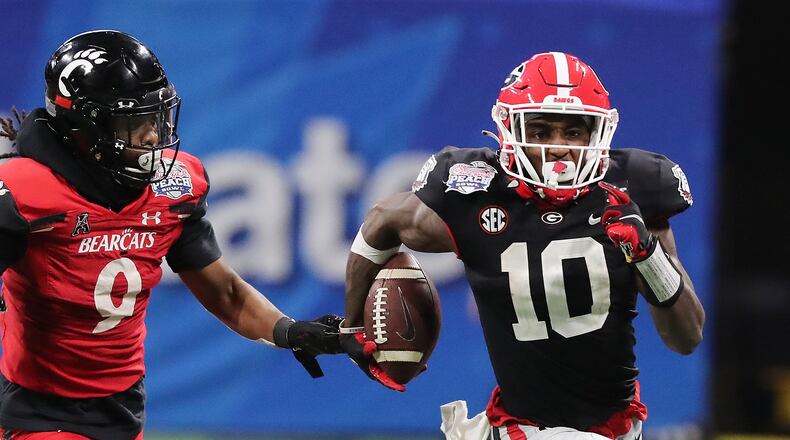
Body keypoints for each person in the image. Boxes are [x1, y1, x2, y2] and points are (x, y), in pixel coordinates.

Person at [340, 52, 705, 439]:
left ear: (598, 134)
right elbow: (384, 218)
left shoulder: (636, 191)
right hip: (513, 426)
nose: (558, 147)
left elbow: (687, 337)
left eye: (574, 132)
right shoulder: (475, 190)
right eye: (541, 132)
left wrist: (647, 255)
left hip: (608, 430)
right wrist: (352, 324)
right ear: (510, 132)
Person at [0, 30, 341, 440]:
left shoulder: (175, 187)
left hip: (123, 411)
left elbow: (227, 294)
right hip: (40, 412)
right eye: (135, 122)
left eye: (156, 118)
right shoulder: (22, 191)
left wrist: (290, 330)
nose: (152, 136)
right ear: (84, 129)